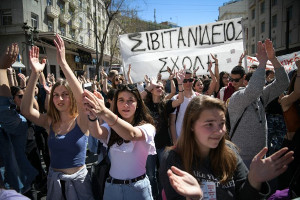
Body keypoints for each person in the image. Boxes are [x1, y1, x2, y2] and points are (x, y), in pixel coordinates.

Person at [160, 95, 294, 200]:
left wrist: (254, 180)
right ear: (191, 125)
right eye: (209, 124)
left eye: (222, 123)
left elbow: (244, 196)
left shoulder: (230, 151)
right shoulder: (174, 158)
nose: (219, 131)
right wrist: (195, 198)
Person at [21, 34, 94, 199]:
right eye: (56, 95)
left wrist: (63, 64)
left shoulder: (81, 120)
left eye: (65, 94)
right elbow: (26, 110)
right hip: (55, 184)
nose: (59, 99)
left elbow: (81, 96)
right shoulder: (49, 122)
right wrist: (34, 73)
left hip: (79, 186)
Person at [82, 84, 156, 200]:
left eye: (130, 101)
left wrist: (104, 112)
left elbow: (131, 134)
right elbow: (97, 133)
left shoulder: (148, 127)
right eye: (121, 100)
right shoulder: (111, 126)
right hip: (112, 189)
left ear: (138, 105)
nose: (125, 105)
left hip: (138, 189)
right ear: (116, 103)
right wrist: (92, 116)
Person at [228, 39, 289, 167]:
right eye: (257, 80)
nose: (261, 83)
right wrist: (262, 63)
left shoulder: (260, 97)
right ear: (246, 82)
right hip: (240, 159)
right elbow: (254, 89)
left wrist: (273, 59)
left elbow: (283, 83)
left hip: (261, 157)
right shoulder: (236, 98)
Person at [0, 43, 38, 194]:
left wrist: (2, 70)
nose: (21, 98)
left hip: (13, 189)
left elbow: (4, 111)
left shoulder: (18, 122)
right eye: (19, 96)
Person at [142, 70, 185, 199]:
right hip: (148, 147)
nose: (160, 88)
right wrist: (149, 85)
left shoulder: (166, 104)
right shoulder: (145, 105)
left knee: (164, 174)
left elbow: (180, 100)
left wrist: (180, 83)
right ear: (151, 90)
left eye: (161, 87)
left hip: (163, 146)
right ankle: (153, 196)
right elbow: (137, 97)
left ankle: (163, 196)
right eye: (157, 87)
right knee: (150, 175)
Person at [169, 69, 200, 144]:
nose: (188, 83)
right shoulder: (175, 99)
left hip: (197, 139)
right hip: (181, 140)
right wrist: (175, 141)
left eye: (190, 80)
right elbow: (172, 122)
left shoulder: (199, 98)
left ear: (194, 80)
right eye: (185, 81)